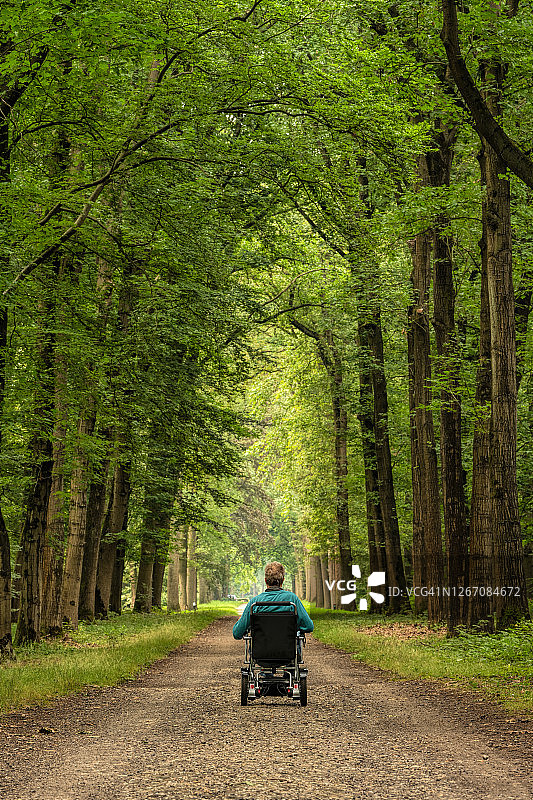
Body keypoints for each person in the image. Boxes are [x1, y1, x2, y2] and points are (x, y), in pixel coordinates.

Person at [232, 561, 314, 642]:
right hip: (287, 651)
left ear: (265, 580)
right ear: (283, 580)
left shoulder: (255, 602)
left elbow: (237, 633)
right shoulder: (292, 599)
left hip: (260, 652)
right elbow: (308, 626)